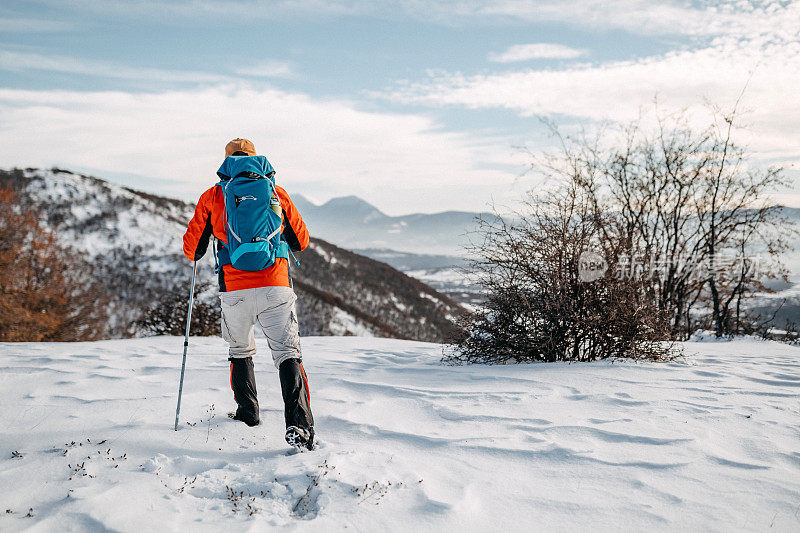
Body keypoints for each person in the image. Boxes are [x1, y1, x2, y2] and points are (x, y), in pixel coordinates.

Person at [182, 138, 315, 450]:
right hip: (276, 284)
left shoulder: (213, 196)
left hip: (235, 288)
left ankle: (248, 414)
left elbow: (192, 250)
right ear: (255, 159)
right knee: (287, 353)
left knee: (240, 350)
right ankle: (300, 424)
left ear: (227, 162)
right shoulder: (275, 192)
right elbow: (302, 241)